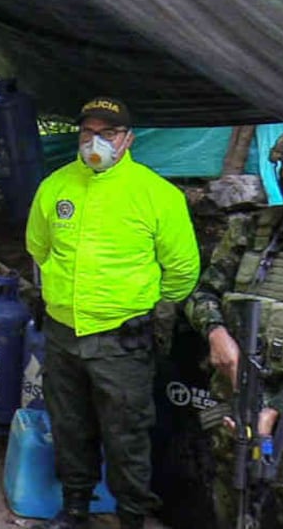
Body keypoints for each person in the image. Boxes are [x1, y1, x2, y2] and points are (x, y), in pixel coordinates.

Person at [25, 97, 200, 529]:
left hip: (122, 339)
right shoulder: (56, 186)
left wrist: (150, 310)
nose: (95, 142)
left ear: (128, 139)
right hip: (64, 334)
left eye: (107, 134)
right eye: (88, 133)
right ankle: (76, 508)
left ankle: (132, 517)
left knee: (127, 435)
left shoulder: (157, 194)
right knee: (70, 426)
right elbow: (39, 247)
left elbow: (183, 269)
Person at [183, 126, 283, 527]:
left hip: (281, 414)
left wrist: (274, 414)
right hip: (238, 405)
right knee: (235, 509)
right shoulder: (251, 232)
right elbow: (201, 296)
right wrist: (217, 333)